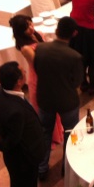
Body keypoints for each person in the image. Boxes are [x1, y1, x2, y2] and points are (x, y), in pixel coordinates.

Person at [33, 16, 84, 180]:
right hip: (67, 101)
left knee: (45, 133)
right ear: (74, 33)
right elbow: (77, 81)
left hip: (45, 98)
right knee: (70, 133)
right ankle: (67, 167)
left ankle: (42, 168)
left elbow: (37, 69)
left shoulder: (40, 48)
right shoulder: (74, 56)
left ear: (56, 31)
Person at [0, 62, 46, 187]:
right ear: (18, 82)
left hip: (15, 160)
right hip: (24, 161)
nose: (26, 73)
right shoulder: (16, 111)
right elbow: (13, 140)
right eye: (23, 73)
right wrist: (0, 143)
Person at [9, 14, 64, 145]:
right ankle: (49, 138)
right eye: (27, 27)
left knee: (54, 105)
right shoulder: (25, 48)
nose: (31, 28)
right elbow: (38, 64)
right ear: (20, 31)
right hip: (38, 78)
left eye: (30, 23)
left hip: (48, 73)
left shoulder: (38, 34)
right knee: (43, 108)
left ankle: (57, 133)